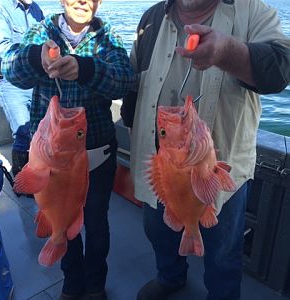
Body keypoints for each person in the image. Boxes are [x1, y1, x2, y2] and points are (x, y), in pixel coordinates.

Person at [121, 0, 290, 300]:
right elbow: (133, 82)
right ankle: (170, 277)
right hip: (161, 170)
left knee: (224, 252)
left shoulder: (253, 12)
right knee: (158, 233)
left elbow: (281, 68)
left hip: (223, 173)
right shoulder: (150, 18)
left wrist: (228, 52)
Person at [1, 0, 135, 299]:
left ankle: (96, 285)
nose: (83, 0)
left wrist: (86, 69)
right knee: (60, 217)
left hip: (98, 154)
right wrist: (36, 58)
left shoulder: (108, 36)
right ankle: (72, 284)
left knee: (97, 224)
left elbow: (125, 81)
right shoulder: (41, 31)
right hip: (51, 159)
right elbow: (11, 70)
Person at [0, 0, 44, 178]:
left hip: (37, 81)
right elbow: (0, 50)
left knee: (39, 131)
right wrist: (36, 56)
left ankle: (39, 178)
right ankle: (22, 181)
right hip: (10, 82)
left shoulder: (36, 9)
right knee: (23, 132)